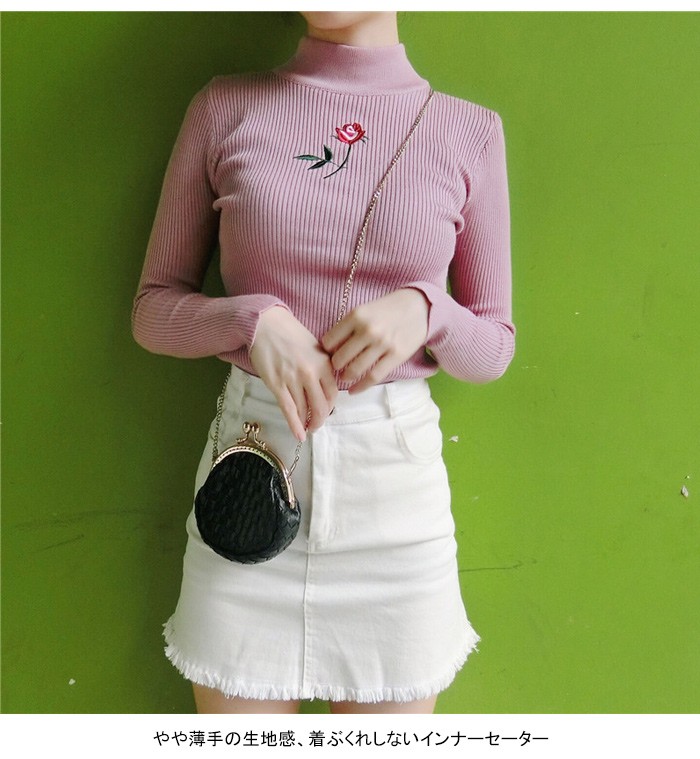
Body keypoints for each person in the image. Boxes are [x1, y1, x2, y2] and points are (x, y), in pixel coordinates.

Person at [132, 11, 515, 715]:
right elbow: (153, 311)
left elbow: (493, 347)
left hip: (393, 498)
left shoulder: (468, 131)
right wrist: (252, 320)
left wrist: (428, 309)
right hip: (250, 468)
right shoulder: (225, 107)